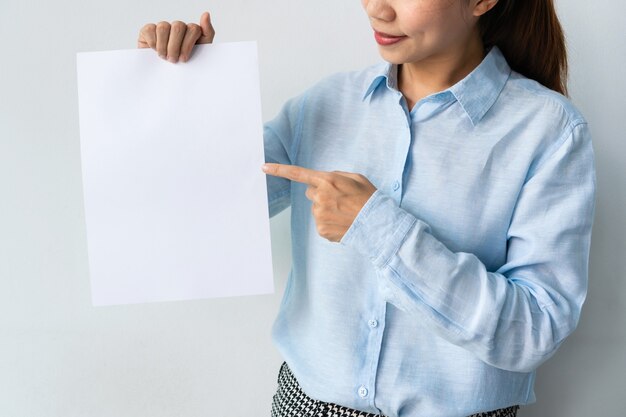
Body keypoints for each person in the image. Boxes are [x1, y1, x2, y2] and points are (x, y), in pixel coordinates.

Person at [137, 1, 596, 416]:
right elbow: (202, 205)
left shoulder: (550, 132)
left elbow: (535, 329)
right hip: (304, 407)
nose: (377, 9)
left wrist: (379, 227)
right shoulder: (324, 104)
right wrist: (190, 85)